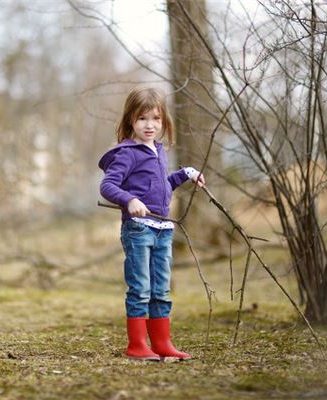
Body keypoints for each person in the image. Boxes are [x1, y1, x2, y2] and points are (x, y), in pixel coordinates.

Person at [98, 86, 205, 361]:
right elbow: (108, 185)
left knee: (161, 289)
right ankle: (137, 345)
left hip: (163, 230)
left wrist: (186, 174)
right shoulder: (127, 153)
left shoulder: (158, 151)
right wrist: (129, 200)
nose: (150, 125)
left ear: (163, 121)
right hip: (138, 230)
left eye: (156, 119)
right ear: (131, 120)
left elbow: (162, 188)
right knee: (141, 288)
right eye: (143, 118)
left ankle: (161, 343)